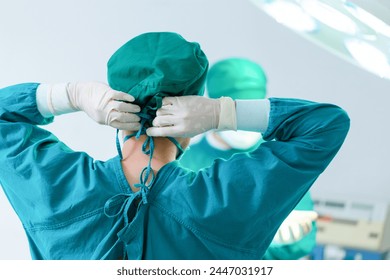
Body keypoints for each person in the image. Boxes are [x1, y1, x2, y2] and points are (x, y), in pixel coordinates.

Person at [0, 32, 350, 260]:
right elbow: (326, 124)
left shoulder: (57, 188)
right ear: (192, 117)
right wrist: (224, 112)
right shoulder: (227, 197)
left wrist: (71, 95)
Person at [179, 58, 318, 260]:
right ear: (211, 109)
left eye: (252, 113)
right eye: (235, 113)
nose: (245, 123)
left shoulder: (279, 160)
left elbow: (303, 241)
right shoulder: (183, 163)